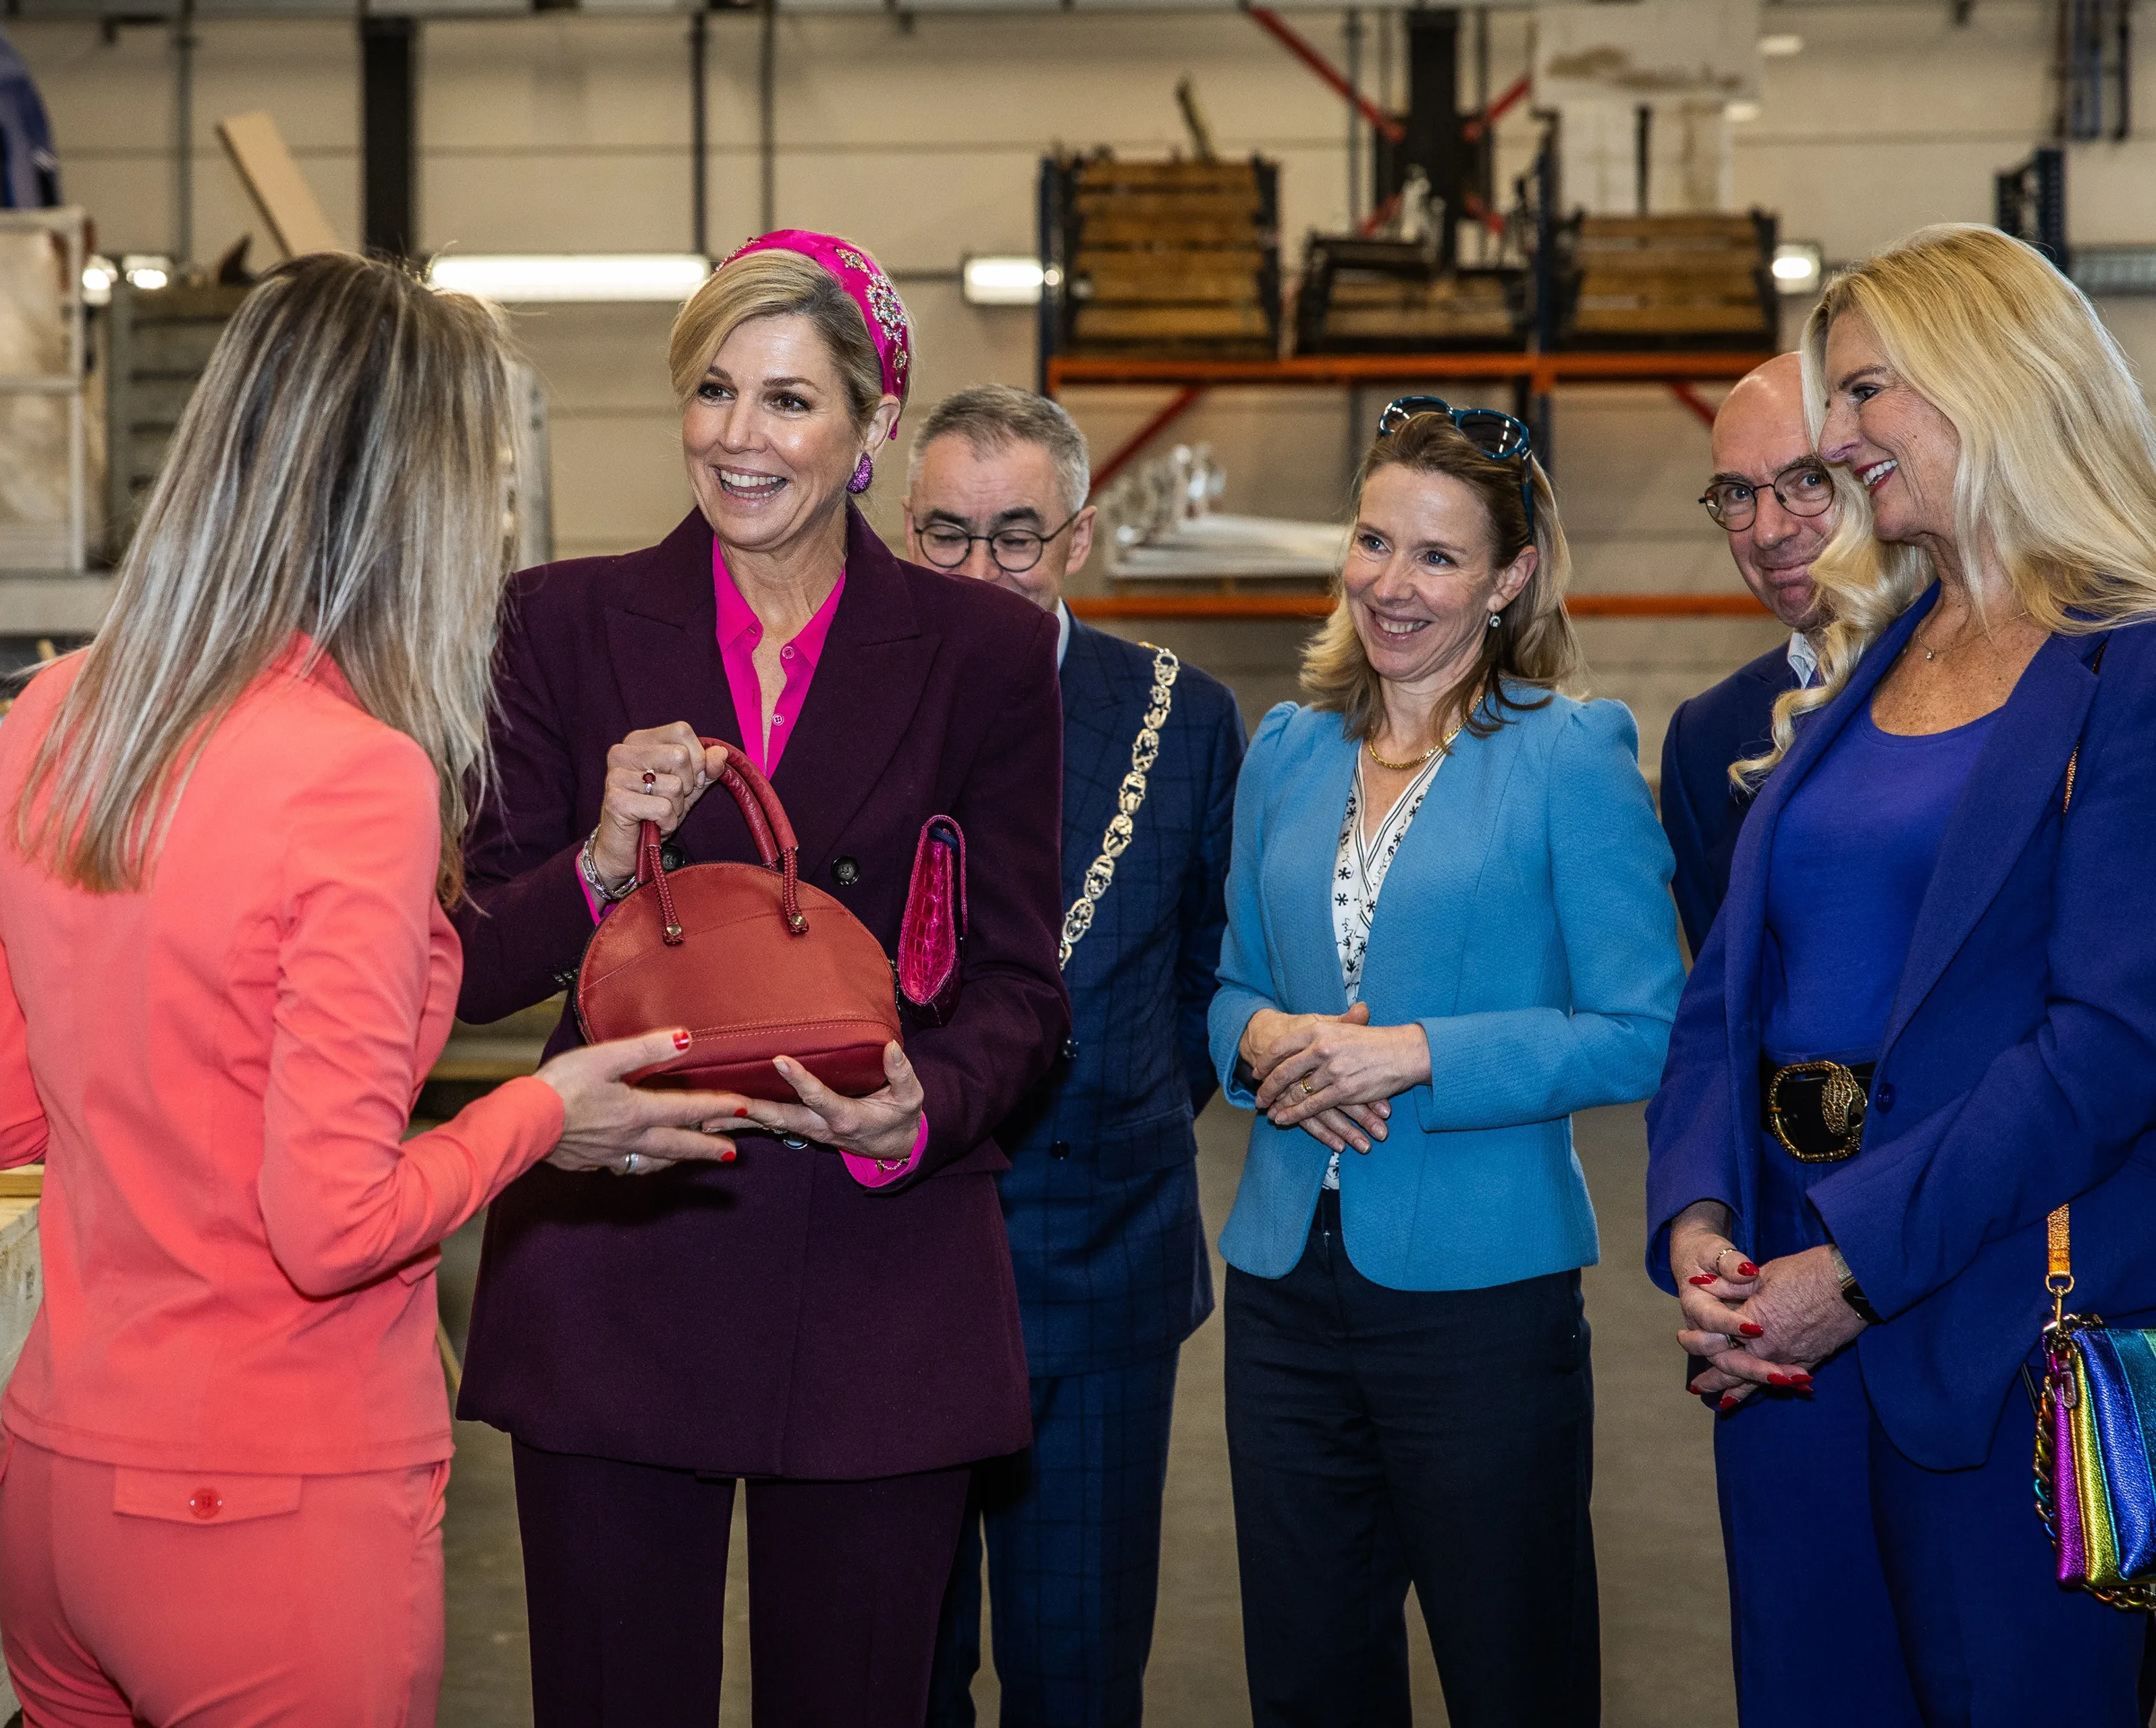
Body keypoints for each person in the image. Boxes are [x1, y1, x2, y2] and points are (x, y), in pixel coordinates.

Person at [0, 254, 746, 1727]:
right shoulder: (361, 777)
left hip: (58, 1487)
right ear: (423, 503)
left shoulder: (50, 715)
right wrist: (540, 1109)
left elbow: (4, 1117)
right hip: (268, 1505)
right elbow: (331, 1226)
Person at [448, 232, 1071, 1728]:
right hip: (621, 1261)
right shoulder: (559, 623)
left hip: (878, 1271)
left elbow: (1018, 984)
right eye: (714, 390)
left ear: (869, 430)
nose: (741, 436)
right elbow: (468, 966)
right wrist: (602, 855)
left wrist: (924, 1107)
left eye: (790, 401)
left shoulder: (982, 650)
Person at [1647, 223, 2156, 1726]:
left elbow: (2112, 1042)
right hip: (1785, 1324)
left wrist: (1855, 1267)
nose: (1839, 437)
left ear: (1989, 379)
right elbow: (1730, 980)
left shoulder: (2128, 660)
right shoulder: (1876, 651)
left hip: (2007, 1323)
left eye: (1867, 395)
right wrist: (1701, 1210)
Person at [1211, 399, 1681, 1728]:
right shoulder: (1290, 751)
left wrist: (1415, 1054)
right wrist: (1255, 1037)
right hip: (1285, 1287)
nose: (1391, 583)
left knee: (1511, 1666)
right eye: (1373, 540)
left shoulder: (1566, 751)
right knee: (1307, 1673)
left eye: (1436, 555)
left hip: (1483, 1296)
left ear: (1508, 577)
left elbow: (1641, 1024)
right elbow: (1229, 978)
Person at [902, 385, 1245, 1728]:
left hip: (1101, 1269)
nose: (982, 570)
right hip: (889, 1269)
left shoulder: (1186, 718)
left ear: (1079, 536)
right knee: (895, 1672)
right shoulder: (838, 712)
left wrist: (1104, 1098)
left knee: (1079, 1671)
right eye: (946, 533)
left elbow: (1213, 964)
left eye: (1016, 536)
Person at [1661, 353, 1839, 954]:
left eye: (1809, 480)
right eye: (1738, 493)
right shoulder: (1703, 741)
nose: (1767, 530)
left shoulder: (1988, 682)